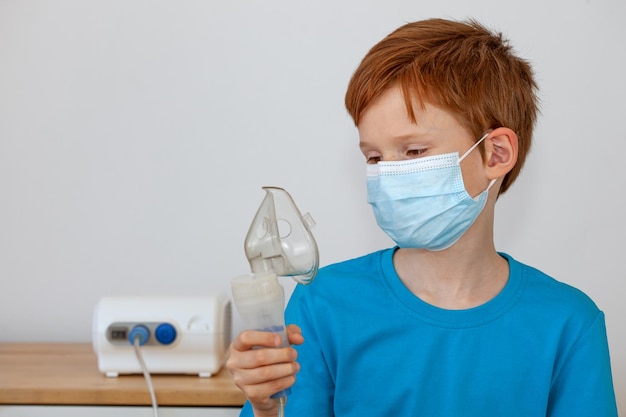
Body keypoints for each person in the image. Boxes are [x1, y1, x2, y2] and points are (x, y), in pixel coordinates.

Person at [226, 18, 618, 417]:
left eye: (413, 151)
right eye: (374, 157)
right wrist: (265, 407)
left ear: (496, 154)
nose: (388, 175)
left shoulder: (567, 324)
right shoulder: (322, 304)